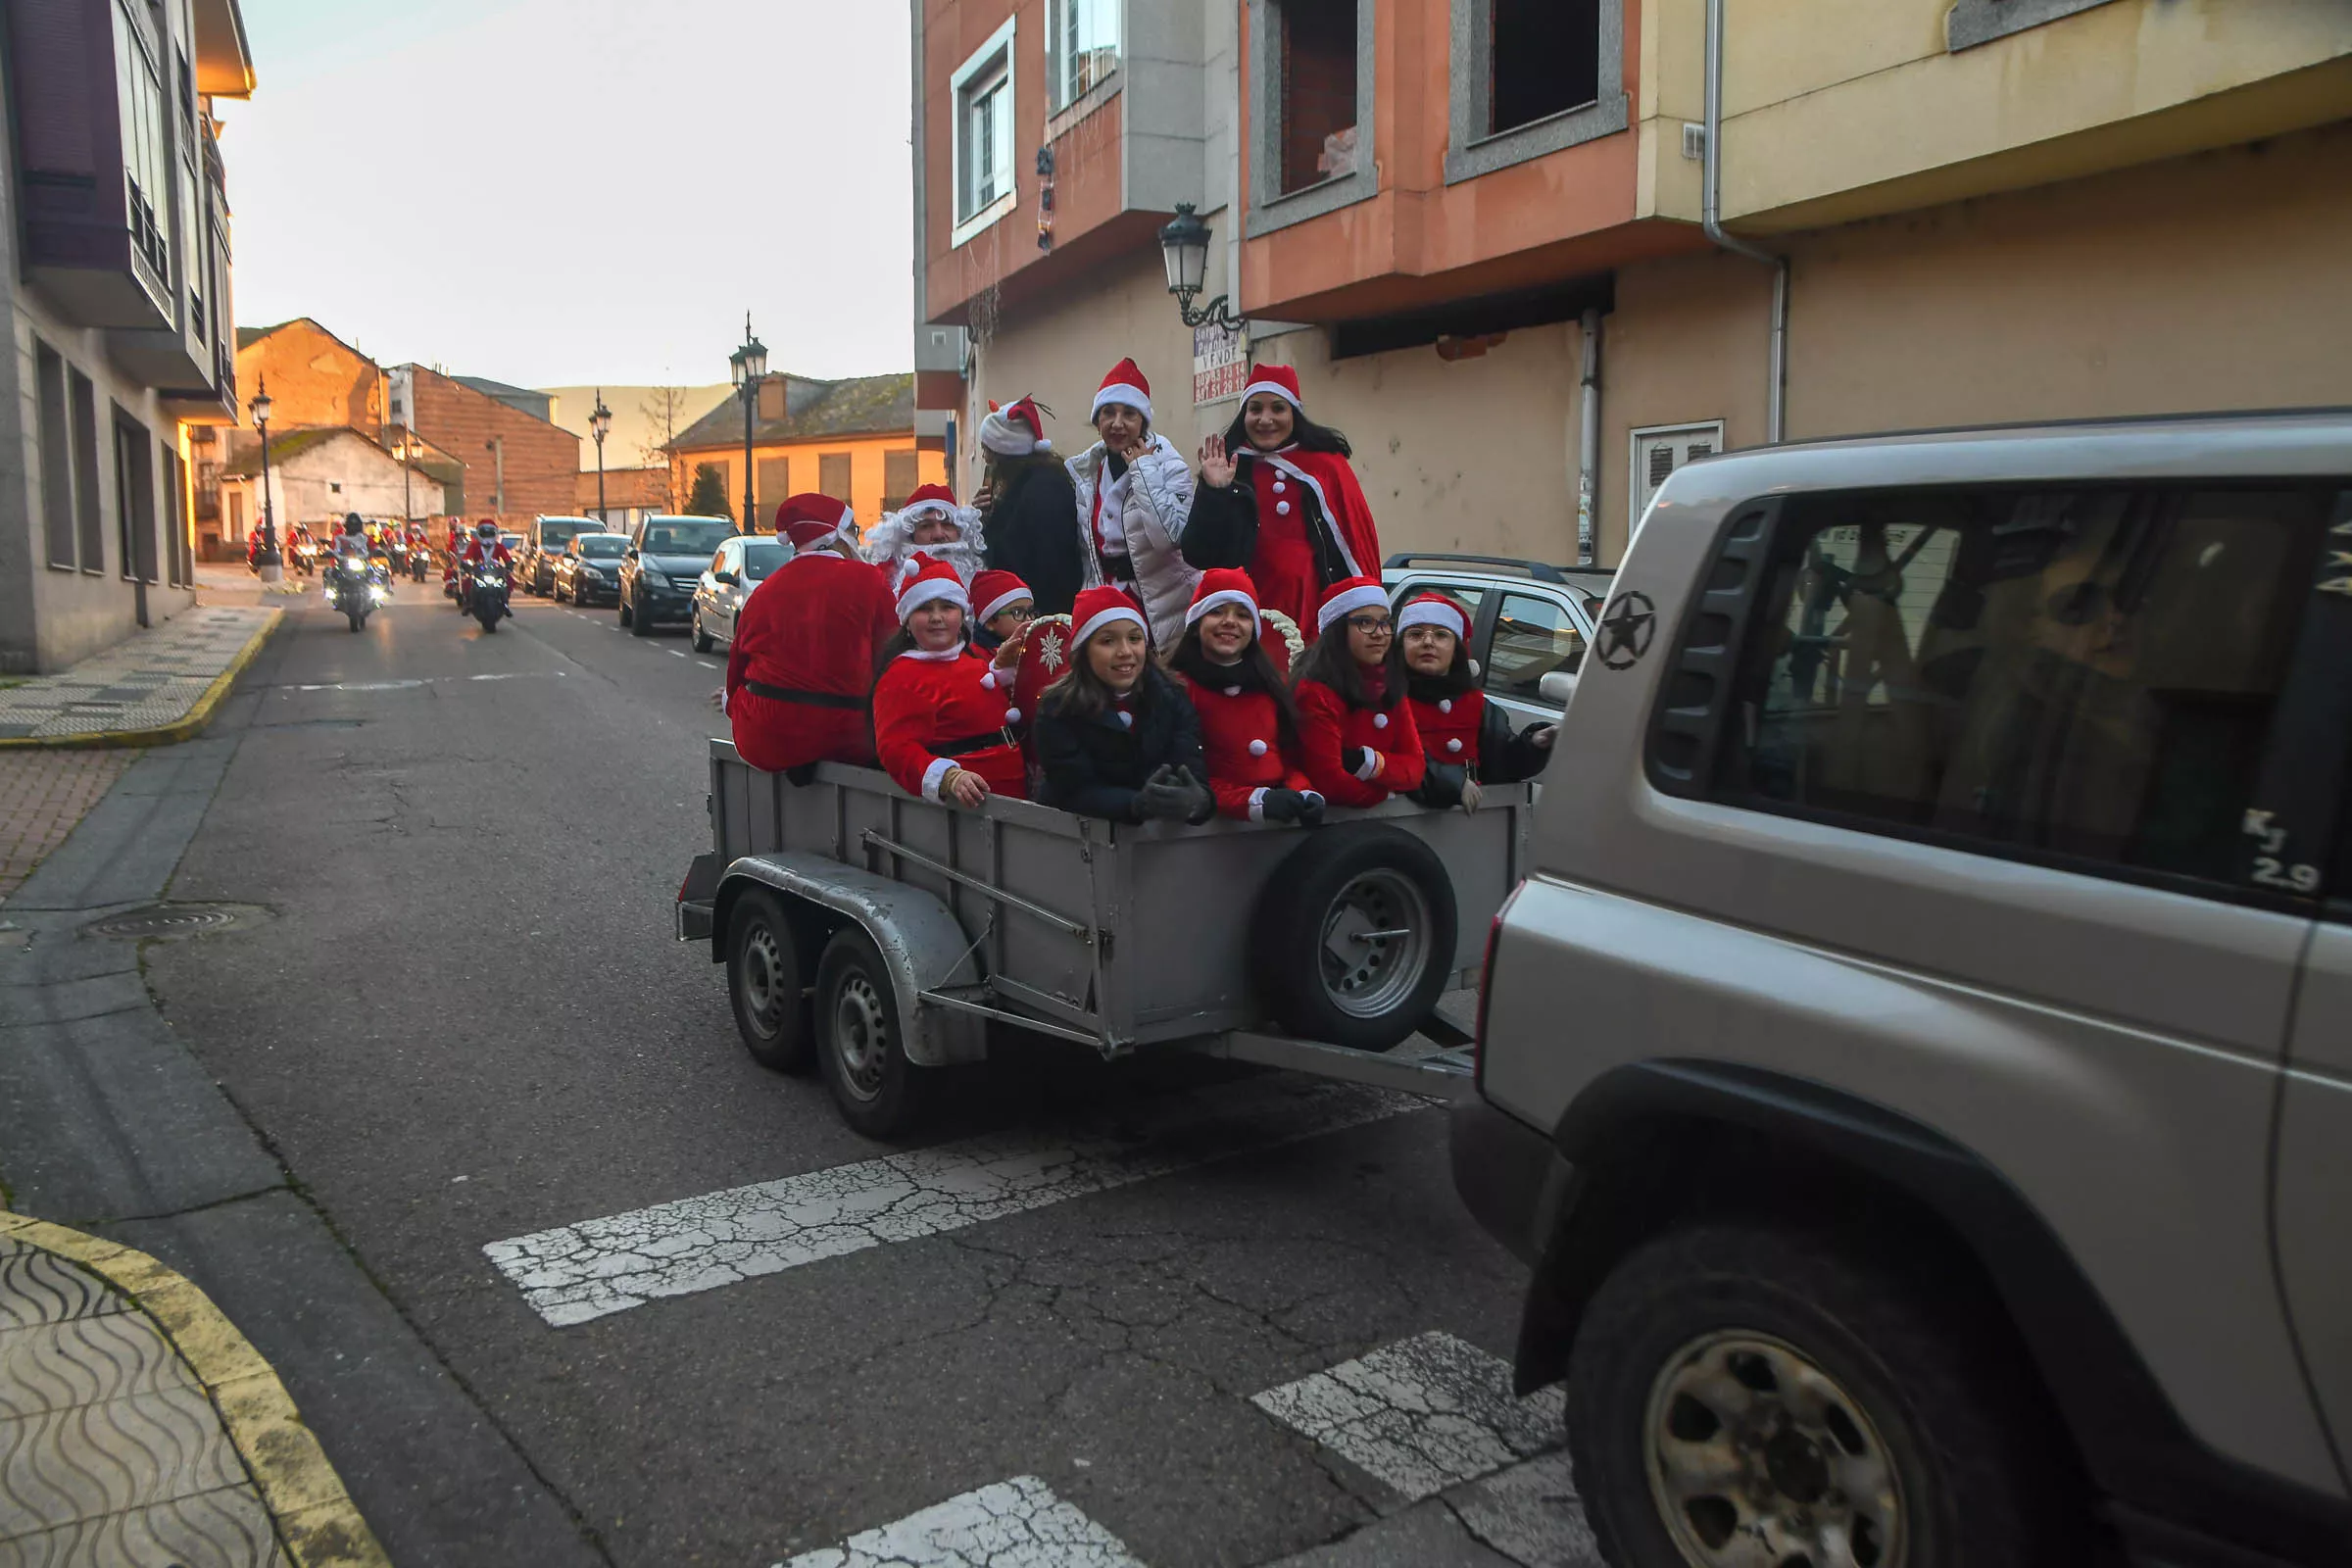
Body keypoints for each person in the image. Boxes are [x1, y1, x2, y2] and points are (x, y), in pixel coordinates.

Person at [1183, 366, 1381, 642]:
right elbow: (1198, 554)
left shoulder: (1327, 467)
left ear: (1294, 414)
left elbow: (1355, 548)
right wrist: (1214, 492)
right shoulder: (1229, 466)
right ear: (1244, 415)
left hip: (1314, 614)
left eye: (1278, 408)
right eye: (1255, 409)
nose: (1265, 419)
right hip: (1243, 616)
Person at [724, 494, 900, 781]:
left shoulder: (765, 590)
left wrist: (735, 706)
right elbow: (892, 655)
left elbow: (735, 671)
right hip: (848, 737)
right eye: (854, 530)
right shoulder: (869, 580)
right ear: (837, 536)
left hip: (765, 740)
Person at [1033, 586, 1213, 825]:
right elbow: (1072, 789)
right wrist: (1135, 804)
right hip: (1076, 842)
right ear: (1084, 651)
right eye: (1108, 641)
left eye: (1134, 638)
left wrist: (1197, 801)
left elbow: (1190, 763)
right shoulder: (1058, 709)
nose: (1125, 652)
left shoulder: (1172, 697)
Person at [870, 559, 1028, 808]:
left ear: (962, 614)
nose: (936, 617)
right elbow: (896, 749)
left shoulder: (972, 659)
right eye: (924, 609)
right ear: (907, 622)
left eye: (947, 607)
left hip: (1012, 793)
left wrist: (1003, 670)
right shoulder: (901, 677)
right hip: (969, 805)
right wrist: (948, 777)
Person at [1169, 569, 1323, 825]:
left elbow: (1286, 758)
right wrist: (1255, 801)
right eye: (1217, 611)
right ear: (1196, 626)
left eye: (1242, 615)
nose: (1230, 622)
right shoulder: (1177, 690)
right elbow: (1190, 778)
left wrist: (1304, 792)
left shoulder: (1273, 687)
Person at [1065, 359, 1198, 649]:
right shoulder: (1086, 471)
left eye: (1129, 414)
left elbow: (1169, 537)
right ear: (1097, 420)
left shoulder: (1169, 465)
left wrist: (1144, 469)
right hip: (1109, 605)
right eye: (1108, 413)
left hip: (1161, 607)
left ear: (1143, 422)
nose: (1117, 423)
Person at [1395, 594, 1555, 811]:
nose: (1428, 642)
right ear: (1400, 646)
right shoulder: (1387, 705)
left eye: (1441, 635)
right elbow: (1398, 765)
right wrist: (1454, 783)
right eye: (1415, 634)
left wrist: (1534, 743)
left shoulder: (1480, 707)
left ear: (1456, 650)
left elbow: (1502, 766)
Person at [1290, 577, 1425, 808]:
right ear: (1338, 630)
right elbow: (1331, 783)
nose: (1379, 633)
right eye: (1365, 622)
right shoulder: (1314, 692)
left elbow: (1415, 768)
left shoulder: (1390, 681)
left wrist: (1369, 763)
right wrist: (1384, 794)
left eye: (1385, 622)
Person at [975, 398, 1083, 616]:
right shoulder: (1027, 483)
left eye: (988, 451)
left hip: (1039, 614)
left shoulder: (1043, 490)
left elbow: (1047, 565)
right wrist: (983, 518)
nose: (985, 459)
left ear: (1004, 454)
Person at [863, 483, 984, 594]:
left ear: (960, 531)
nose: (938, 535)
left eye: (947, 525)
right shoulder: (882, 586)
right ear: (909, 535)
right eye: (926, 526)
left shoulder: (981, 580)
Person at [968, 569, 1035, 654]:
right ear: (990, 622)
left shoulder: (1034, 650)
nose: (1029, 619)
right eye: (1018, 612)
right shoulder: (975, 659)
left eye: (1031, 611)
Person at [459, 518, 513, 618]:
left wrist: (509, 565)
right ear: (479, 533)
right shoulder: (474, 546)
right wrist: (466, 564)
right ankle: (468, 602)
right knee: (467, 581)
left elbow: (507, 558)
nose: (487, 536)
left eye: (490, 533)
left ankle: (505, 603)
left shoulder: (499, 547)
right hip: (479, 572)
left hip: (495, 572)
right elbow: (467, 557)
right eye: (484, 533)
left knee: (509, 580)